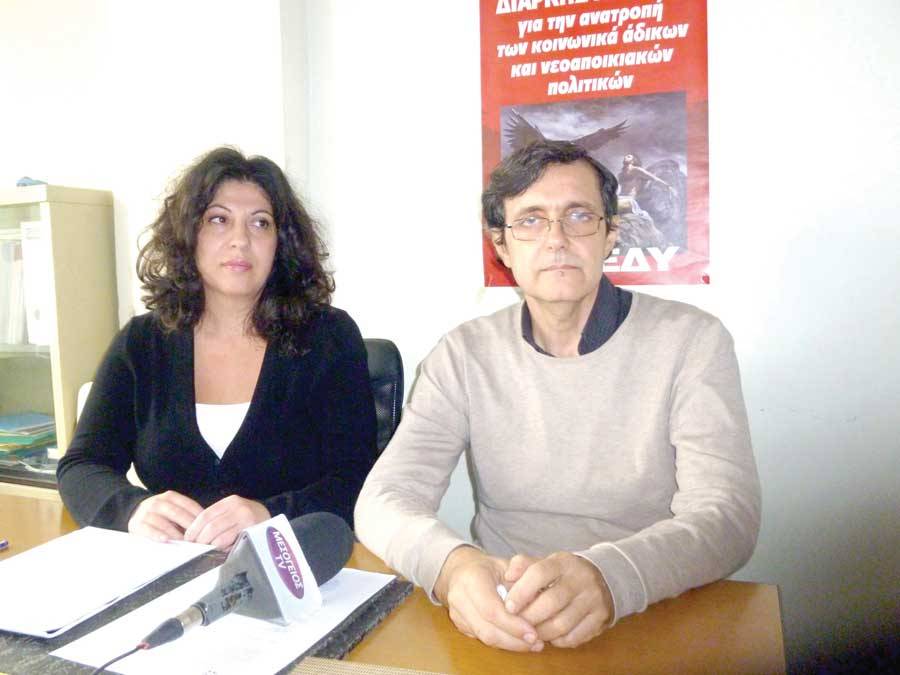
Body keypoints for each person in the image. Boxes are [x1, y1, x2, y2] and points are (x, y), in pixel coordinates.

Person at [354, 140, 760, 652]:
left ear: (610, 233)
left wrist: (610, 577)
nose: (556, 239)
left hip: (647, 608)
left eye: (579, 216)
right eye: (530, 220)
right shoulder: (463, 354)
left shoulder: (692, 341)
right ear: (502, 247)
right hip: (507, 614)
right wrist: (453, 568)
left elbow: (728, 515)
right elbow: (384, 499)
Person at [58, 147, 377, 550]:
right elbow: (81, 465)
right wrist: (132, 510)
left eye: (260, 223)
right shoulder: (143, 342)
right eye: (218, 219)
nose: (240, 240)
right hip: (171, 566)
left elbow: (359, 481)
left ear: (281, 243)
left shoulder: (328, 339)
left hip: (290, 567)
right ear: (189, 234)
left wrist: (270, 515)